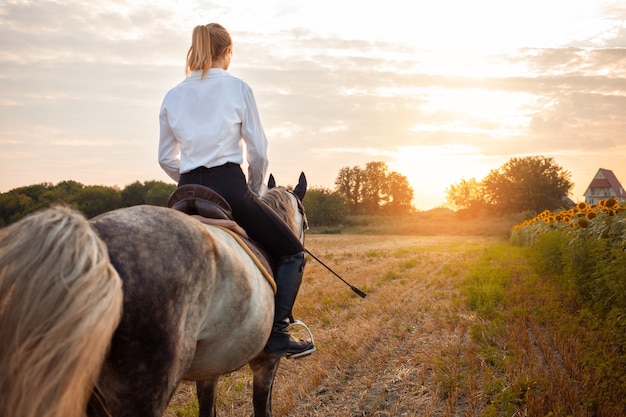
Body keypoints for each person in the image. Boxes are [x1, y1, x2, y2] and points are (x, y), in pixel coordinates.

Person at [158, 23, 314, 359]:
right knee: (292, 254)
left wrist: (187, 179)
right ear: (228, 52)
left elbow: (163, 157)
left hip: (185, 192)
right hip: (229, 188)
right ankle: (277, 333)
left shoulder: (173, 95)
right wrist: (254, 189)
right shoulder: (238, 88)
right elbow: (259, 152)